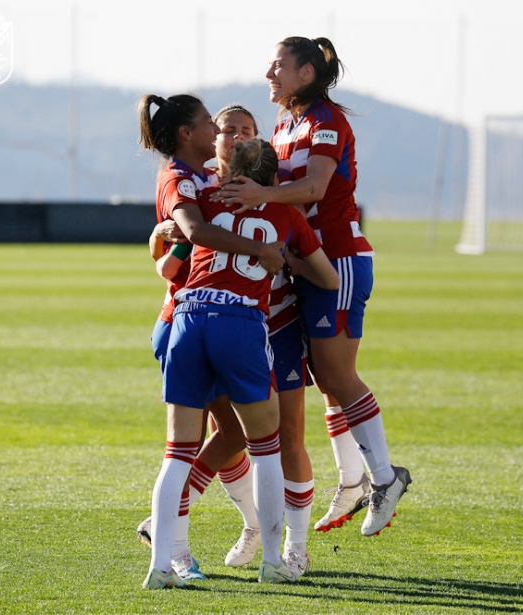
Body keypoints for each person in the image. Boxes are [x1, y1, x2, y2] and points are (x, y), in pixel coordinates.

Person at [212, 36, 412, 537]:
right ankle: (350, 482)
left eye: (278, 65)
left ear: (306, 72)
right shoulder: (284, 123)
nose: (268, 73)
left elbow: (315, 189)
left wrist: (261, 193)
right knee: (325, 380)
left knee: (337, 376)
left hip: (338, 259)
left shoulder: (326, 121)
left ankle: (385, 478)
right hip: (304, 260)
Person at [142, 104, 322, 579]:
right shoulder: (185, 180)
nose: (229, 136)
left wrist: (160, 238)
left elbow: (167, 258)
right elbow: (184, 241)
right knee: (261, 442)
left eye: (244, 132)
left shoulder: (210, 188)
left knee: (192, 446)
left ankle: (170, 554)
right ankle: (259, 556)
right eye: (220, 127)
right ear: (199, 136)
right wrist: (271, 253)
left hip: (189, 318)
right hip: (234, 321)